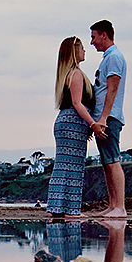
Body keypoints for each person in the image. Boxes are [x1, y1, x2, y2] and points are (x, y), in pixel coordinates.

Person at [46, 36, 99, 220]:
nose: (85, 50)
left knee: (62, 166)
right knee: (73, 167)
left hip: (66, 122)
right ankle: (71, 211)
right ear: (74, 52)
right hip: (73, 123)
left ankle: (57, 208)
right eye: (82, 48)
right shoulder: (75, 74)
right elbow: (77, 103)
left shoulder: (66, 74)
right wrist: (92, 123)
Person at [89, 20, 127, 218]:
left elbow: (113, 89)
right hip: (103, 118)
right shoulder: (107, 58)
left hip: (109, 118)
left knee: (112, 161)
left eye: (94, 37)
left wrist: (103, 117)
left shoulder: (114, 58)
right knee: (106, 163)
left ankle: (119, 207)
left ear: (104, 35)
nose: (92, 42)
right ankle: (113, 206)